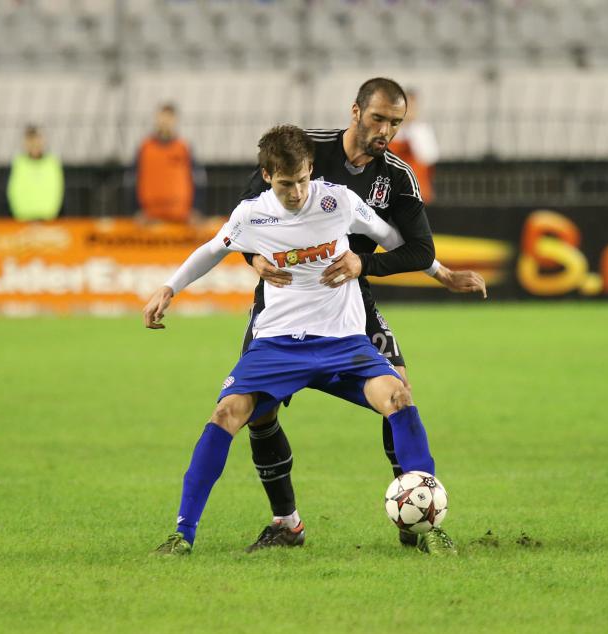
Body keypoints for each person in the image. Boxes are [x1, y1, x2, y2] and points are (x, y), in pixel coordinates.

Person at [144, 125, 440, 556]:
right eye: (286, 184)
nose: (298, 192)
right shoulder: (252, 215)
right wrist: (168, 288)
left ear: (311, 171)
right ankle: (182, 534)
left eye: (303, 180)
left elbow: (396, 240)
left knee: (399, 397)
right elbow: (212, 249)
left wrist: (433, 271)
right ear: (267, 176)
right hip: (278, 344)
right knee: (227, 413)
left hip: (343, 342)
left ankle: (429, 526)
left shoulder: (338, 200)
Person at [239, 78, 484, 554]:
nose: (386, 130)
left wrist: (415, 270)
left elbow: (415, 248)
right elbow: (245, 219)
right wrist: (252, 260)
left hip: (350, 299)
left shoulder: (397, 176)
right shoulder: (304, 150)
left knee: (399, 391)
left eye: (396, 122)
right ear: (355, 111)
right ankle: (286, 523)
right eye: (379, 118)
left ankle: (418, 522)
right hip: (284, 301)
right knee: (256, 410)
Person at [132, 103, 206, 224]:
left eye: (169, 118)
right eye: (162, 117)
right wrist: (136, 210)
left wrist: (195, 209)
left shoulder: (183, 148)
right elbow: (133, 179)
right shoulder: (145, 148)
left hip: (181, 217)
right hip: (150, 217)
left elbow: (198, 179)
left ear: (175, 120)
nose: (165, 122)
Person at [387, 88, 439, 204]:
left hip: (418, 195)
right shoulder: (389, 132)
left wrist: (411, 131)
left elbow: (427, 157)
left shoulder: (422, 130)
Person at [6, 125, 64, 221]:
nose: (34, 144)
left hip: (47, 219)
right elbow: (13, 191)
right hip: (23, 220)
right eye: (30, 140)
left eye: (37, 139)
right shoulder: (19, 163)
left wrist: (50, 214)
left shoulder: (52, 163)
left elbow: (57, 189)